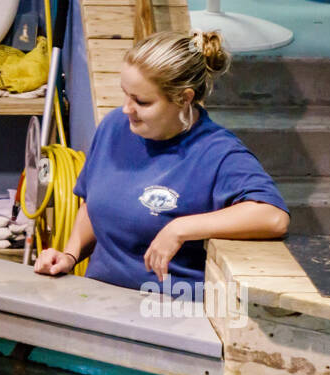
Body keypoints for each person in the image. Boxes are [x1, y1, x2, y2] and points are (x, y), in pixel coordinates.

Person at [33, 30, 289, 294]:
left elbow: (273, 218)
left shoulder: (218, 153)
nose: (126, 109)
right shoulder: (113, 128)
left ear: (184, 98)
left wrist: (181, 228)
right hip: (99, 300)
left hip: (170, 312)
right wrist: (70, 255)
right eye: (126, 94)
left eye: (141, 101)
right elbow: (91, 204)